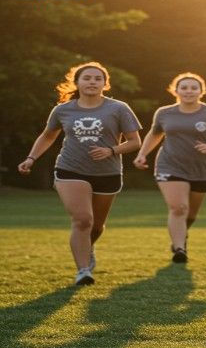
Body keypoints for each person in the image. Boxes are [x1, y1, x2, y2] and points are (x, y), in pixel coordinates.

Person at [17, 61, 142, 285]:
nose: (92, 82)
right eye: (87, 78)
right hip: (70, 168)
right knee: (83, 220)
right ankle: (83, 270)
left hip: (108, 173)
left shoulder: (118, 108)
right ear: (76, 82)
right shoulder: (63, 110)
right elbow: (48, 136)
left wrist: (111, 150)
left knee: (95, 225)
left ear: (105, 83)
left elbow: (134, 142)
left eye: (97, 78)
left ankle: (87, 248)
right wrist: (31, 158)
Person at [133, 72, 206, 263]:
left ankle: (182, 235)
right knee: (179, 208)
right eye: (184, 87)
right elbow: (155, 134)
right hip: (169, 165)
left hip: (202, 170)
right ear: (175, 90)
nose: (188, 91)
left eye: (193, 87)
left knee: (190, 214)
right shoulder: (164, 113)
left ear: (201, 91)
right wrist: (142, 154)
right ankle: (179, 249)